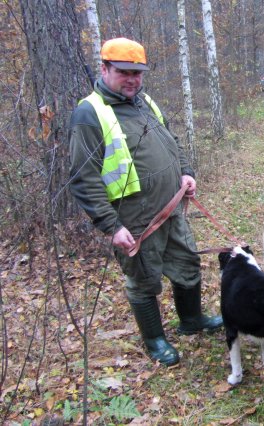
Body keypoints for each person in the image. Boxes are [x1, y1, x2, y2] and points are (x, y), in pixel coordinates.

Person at [68, 38, 223, 367]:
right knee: (143, 280)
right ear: (105, 69)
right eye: (124, 72)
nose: (132, 80)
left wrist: (185, 171)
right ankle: (155, 340)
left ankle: (192, 320)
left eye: (137, 73)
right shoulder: (90, 113)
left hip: (172, 209)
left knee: (187, 264)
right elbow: (84, 178)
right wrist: (111, 225)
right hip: (136, 219)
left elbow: (171, 139)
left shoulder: (144, 101)